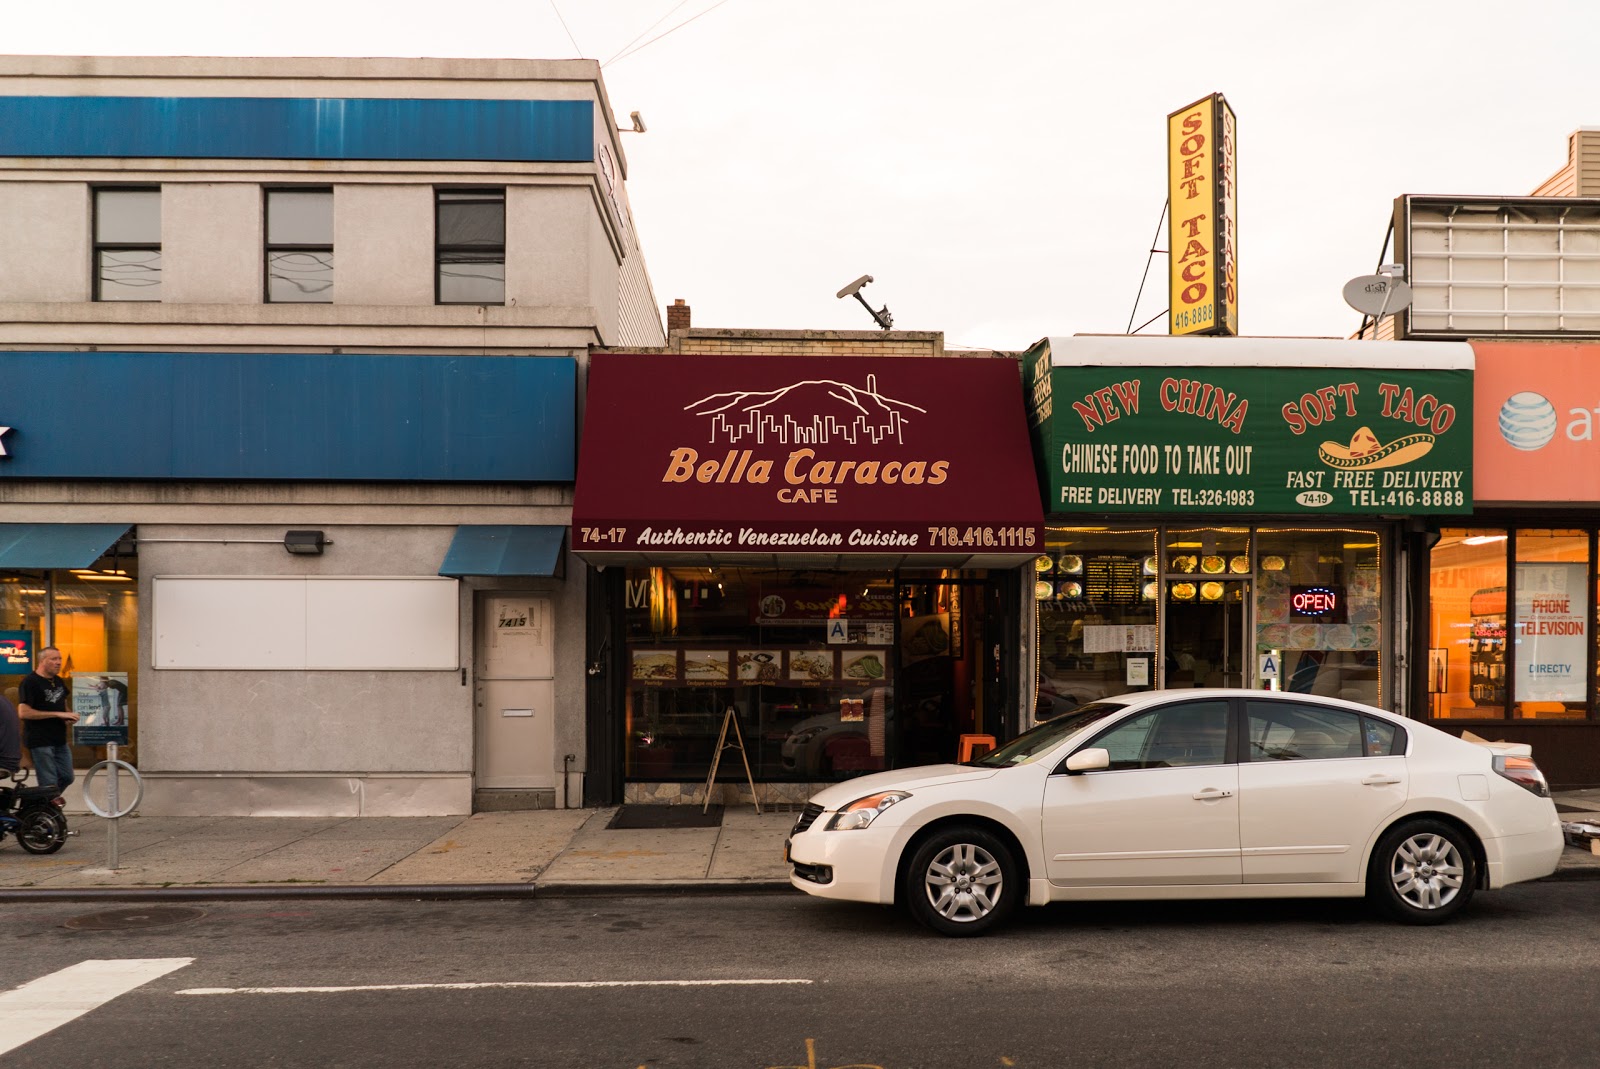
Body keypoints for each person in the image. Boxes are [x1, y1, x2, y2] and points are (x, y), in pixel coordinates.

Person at [18, 647, 77, 791]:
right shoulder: (30, 682)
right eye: (54, 659)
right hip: (40, 741)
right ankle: (46, 811)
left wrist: (68, 716)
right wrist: (57, 714)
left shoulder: (58, 681)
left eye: (60, 659)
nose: (58, 663)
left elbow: (63, 706)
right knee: (49, 782)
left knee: (67, 776)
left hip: (59, 740)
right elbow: (23, 713)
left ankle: (43, 806)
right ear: (42, 661)